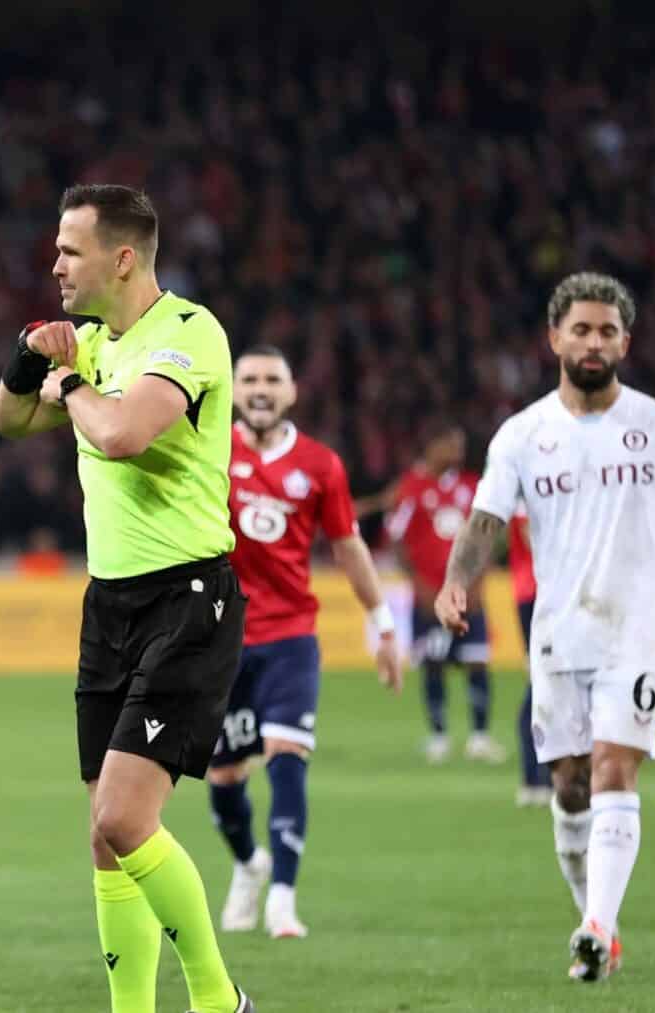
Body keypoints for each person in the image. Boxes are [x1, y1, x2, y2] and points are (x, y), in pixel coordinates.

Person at [0, 183, 254, 1013]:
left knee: (123, 819)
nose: (55, 264)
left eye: (69, 250)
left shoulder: (189, 333)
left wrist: (68, 381)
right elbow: (7, 421)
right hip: (111, 605)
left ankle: (220, 1001)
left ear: (123, 256)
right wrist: (32, 359)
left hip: (187, 600)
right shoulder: (94, 345)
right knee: (105, 839)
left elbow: (120, 433)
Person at [435, 272, 655, 983]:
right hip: (557, 631)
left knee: (612, 766)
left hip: (637, 629)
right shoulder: (521, 435)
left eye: (606, 331)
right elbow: (483, 522)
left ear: (624, 343)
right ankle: (596, 923)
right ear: (553, 338)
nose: (592, 341)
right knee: (568, 783)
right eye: (580, 329)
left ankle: (595, 923)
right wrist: (455, 579)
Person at [208, 345, 403, 940]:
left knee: (288, 760)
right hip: (218, 639)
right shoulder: (207, 447)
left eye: (273, 379)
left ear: (292, 391)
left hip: (291, 638)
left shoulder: (320, 465)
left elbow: (348, 546)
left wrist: (383, 624)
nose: (261, 388)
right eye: (250, 379)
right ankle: (248, 865)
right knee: (224, 778)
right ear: (234, 389)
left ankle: (284, 900)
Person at [387, 420, 503, 764]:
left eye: (460, 444)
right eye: (451, 444)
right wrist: (418, 584)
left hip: (469, 594)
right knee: (433, 664)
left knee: (477, 662)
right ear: (432, 447)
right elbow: (397, 540)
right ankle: (439, 736)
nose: (457, 452)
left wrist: (478, 582)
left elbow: (490, 537)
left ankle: (480, 737)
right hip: (429, 597)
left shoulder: (473, 487)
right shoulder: (411, 488)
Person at [507, 506, 552, 807]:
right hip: (539, 594)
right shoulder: (529, 482)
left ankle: (538, 778)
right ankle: (537, 777)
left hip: (541, 593)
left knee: (544, 685)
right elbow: (532, 537)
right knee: (544, 685)